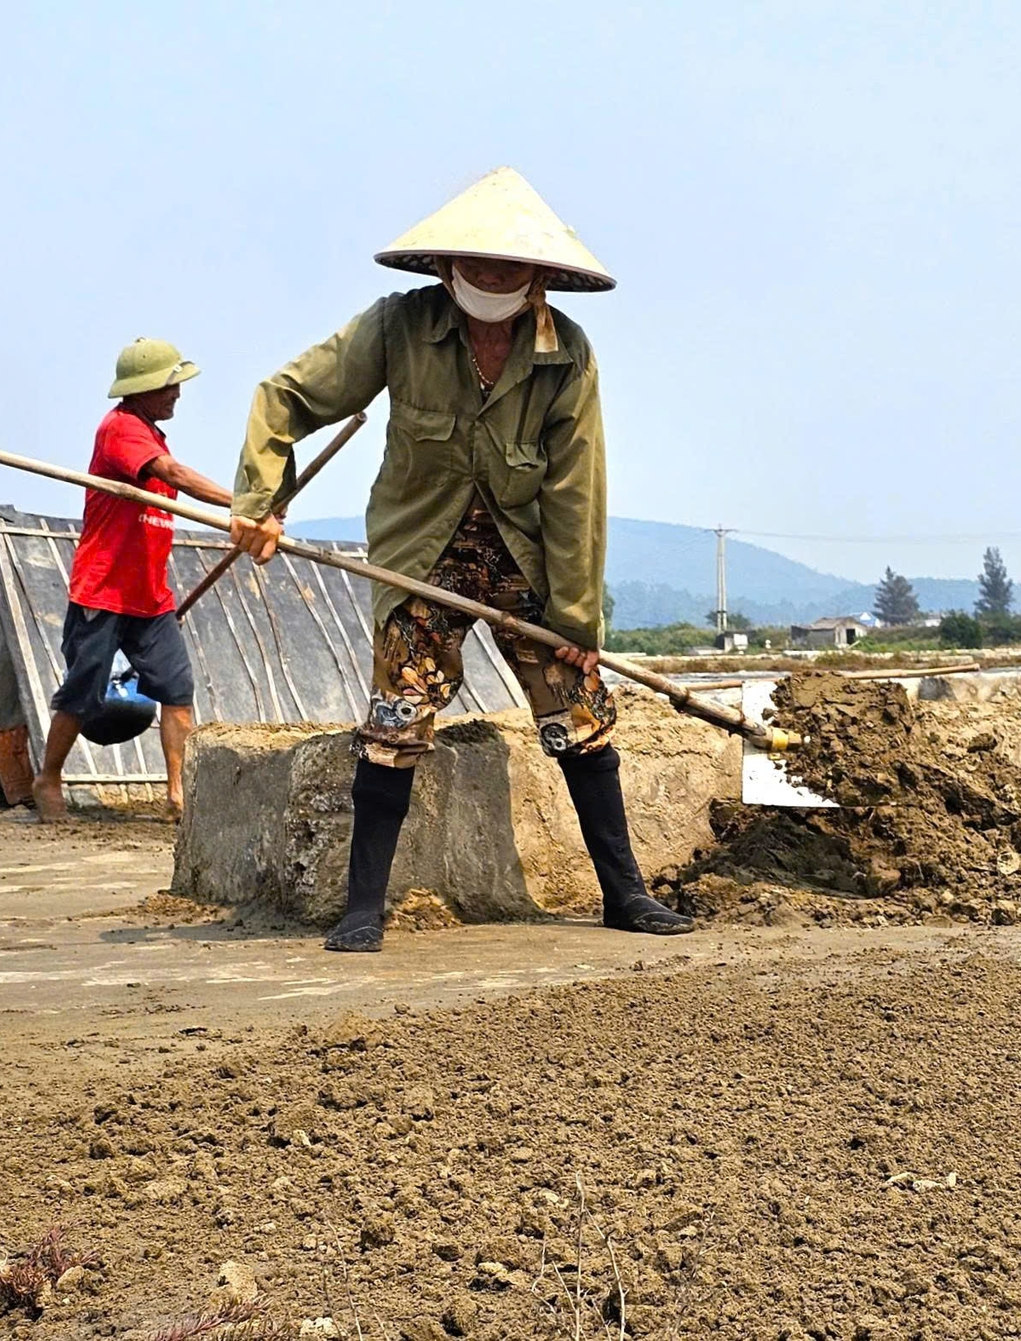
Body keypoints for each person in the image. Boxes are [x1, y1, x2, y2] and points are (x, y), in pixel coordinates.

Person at [228, 168, 693, 952]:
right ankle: (363, 908)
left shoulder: (566, 356)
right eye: (476, 265)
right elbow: (286, 397)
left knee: (580, 712)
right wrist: (259, 504)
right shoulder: (398, 329)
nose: (490, 280)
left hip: (525, 561)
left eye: (508, 268)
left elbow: (578, 490)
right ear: (446, 267)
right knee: (397, 716)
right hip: (423, 552)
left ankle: (626, 893)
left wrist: (578, 618)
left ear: (540, 276)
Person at [33, 338, 232, 821]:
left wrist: (247, 515)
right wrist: (240, 504)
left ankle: (177, 794)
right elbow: (173, 473)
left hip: (150, 596)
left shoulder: (152, 435)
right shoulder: (121, 431)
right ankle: (49, 778)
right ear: (143, 389)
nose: (177, 396)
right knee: (83, 692)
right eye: (169, 387)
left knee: (176, 690)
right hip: (103, 591)